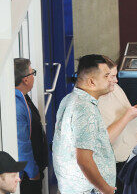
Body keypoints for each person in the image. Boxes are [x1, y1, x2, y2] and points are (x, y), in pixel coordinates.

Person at [52, 55, 118, 194]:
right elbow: (84, 159)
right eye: (106, 76)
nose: (112, 80)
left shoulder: (70, 98)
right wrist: (105, 189)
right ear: (91, 82)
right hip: (89, 190)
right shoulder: (85, 109)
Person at [97, 60, 137, 175]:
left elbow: (127, 126)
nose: (116, 80)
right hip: (114, 166)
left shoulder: (115, 89)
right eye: (112, 76)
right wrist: (128, 116)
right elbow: (103, 142)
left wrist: (136, 116)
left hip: (131, 157)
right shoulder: (91, 103)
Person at [13, 59, 47, 194]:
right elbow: (22, 144)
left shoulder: (23, 97)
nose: (34, 76)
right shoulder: (17, 105)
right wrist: (33, 173)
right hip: (27, 176)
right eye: (33, 72)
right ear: (25, 79)